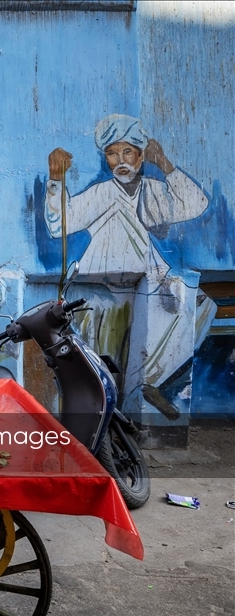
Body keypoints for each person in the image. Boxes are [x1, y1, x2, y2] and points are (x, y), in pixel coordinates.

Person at [45, 113, 209, 417]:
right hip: (101, 288)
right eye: (112, 153)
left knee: (197, 305)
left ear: (141, 155)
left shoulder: (154, 190)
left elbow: (196, 203)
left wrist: (166, 165)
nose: (120, 160)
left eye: (128, 152)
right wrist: (56, 179)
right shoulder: (102, 193)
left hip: (147, 278)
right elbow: (58, 225)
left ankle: (150, 384)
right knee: (104, 367)